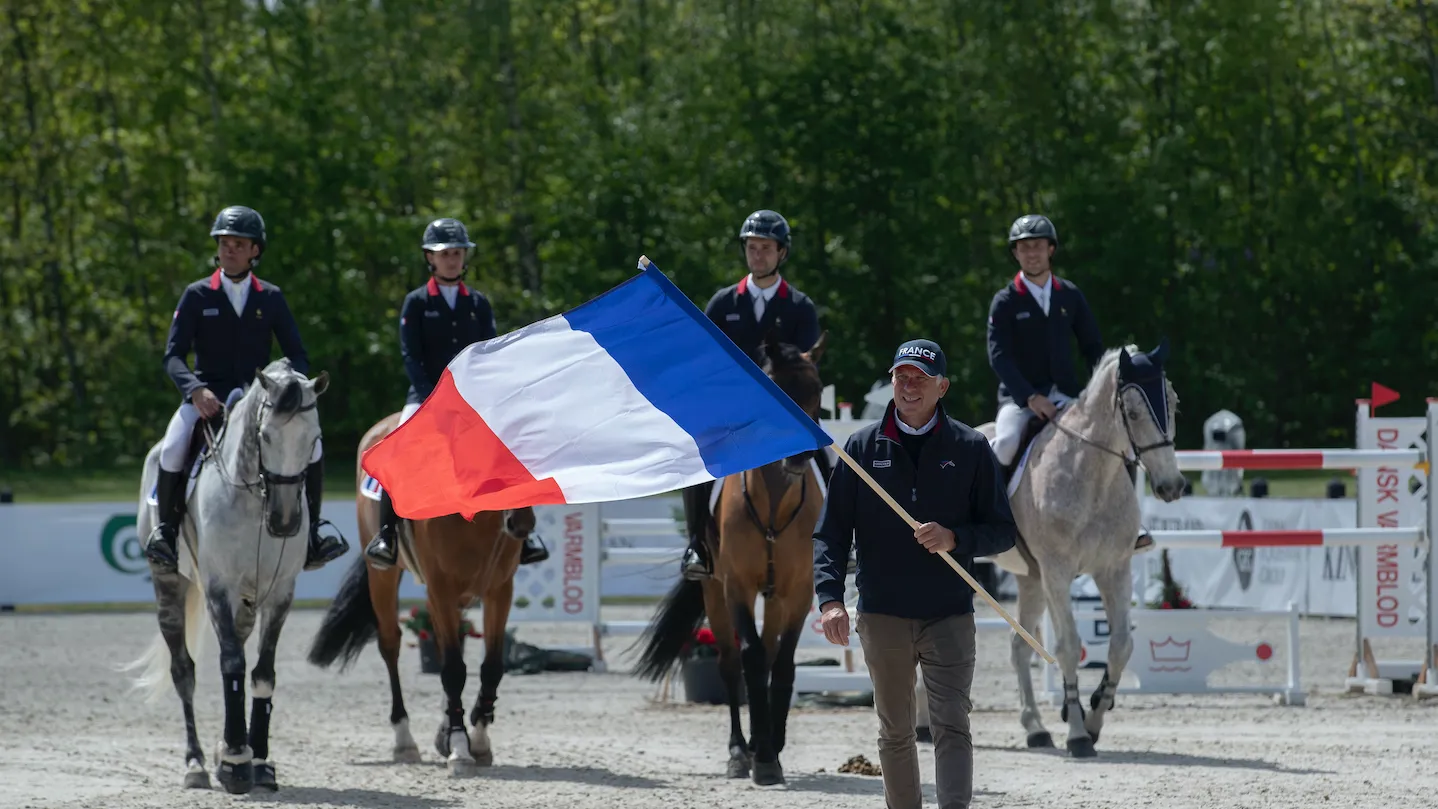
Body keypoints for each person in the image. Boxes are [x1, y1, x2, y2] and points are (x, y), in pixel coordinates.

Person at [813, 339, 1017, 809]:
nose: (908, 386)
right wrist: (829, 600)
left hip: (948, 613)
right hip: (882, 613)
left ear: (941, 387)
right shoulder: (861, 448)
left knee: (951, 725)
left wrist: (956, 539)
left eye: (920, 379)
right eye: (901, 376)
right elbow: (831, 534)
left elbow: (1003, 531)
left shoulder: (970, 447)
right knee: (895, 729)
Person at [144, 205, 349, 574]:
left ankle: (315, 531)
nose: (230, 250)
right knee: (172, 448)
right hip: (208, 398)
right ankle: (166, 532)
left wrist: (286, 387)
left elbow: (297, 355)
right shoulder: (197, 295)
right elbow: (173, 356)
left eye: (239, 244)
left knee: (314, 446)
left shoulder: (270, 297)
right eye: (225, 243)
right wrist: (194, 390)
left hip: (259, 401)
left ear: (255, 250)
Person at [363, 217, 550, 570]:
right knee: (400, 445)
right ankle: (387, 534)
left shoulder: (478, 304)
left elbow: (487, 354)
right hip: (425, 397)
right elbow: (411, 356)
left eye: (458, 253)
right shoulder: (416, 303)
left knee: (509, 439)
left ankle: (525, 532)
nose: (452, 259)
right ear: (430, 259)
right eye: (445, 253)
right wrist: (433, 399)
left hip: (471, 397)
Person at [985, 214, 1153, 550]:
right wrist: (1031, 397)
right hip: (1020, 401)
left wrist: (1105, 389)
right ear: (1016, 254)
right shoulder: (1005, 301)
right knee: (1003, 444)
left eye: (1037, 246)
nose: (1031, 253)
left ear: (1050, 249)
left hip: (1067, 397)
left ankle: (1131, 525)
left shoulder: (1070, 296)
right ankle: (991, 519)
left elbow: (1092, 347)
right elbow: (999, 356)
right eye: (1024, 248)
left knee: (1118, 443)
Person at [678, 208, 826, 581]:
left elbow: (809, 365)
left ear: (781, 253)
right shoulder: (723, 304)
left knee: (828, 461)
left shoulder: (800, 307)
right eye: (752, 247)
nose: (757, 255)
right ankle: (696, 542)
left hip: (787, 413)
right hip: (734, 412)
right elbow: (707, 360)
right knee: (699, 459)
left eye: (765, 248)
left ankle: (842, 542)